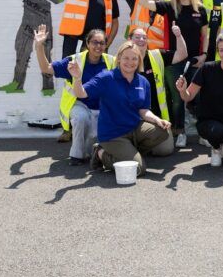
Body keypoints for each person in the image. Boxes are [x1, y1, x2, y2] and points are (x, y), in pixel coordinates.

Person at [71, 41, 173, 176]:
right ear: (119, 58)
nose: (130, 62)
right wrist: (77, 78)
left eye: (134, 58)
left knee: (162, 132)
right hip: (113, 134)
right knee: (137, 169)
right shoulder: (106, 77)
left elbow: (143, 110)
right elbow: (81, 93)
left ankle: (130, 153)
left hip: (134, 128)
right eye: (126, 58)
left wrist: (157, 119)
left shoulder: (143, 82)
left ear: (139, 60)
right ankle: (100, 154)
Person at [140, 0, 208, 148]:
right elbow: (144, 2)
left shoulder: (200, 10)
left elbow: (205, 35)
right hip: (175, 60)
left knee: (197, 98)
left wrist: (204, 55)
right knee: (177, 99)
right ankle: (180, 133)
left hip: (195, 60)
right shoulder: (170, 7)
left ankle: (203, 133)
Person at [33, 26, 115, 165]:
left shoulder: (112, 62)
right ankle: (76, 156)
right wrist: (39, 46)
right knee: (81, 118)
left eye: (102, 43)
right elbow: (45, 68)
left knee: (93, 140)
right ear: (87, 44)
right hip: (79, 104)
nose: (98, 46)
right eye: (95, 42)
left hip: (102, 107)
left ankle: (93, 154)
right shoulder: (74, 60)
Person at [176, 33, 223, 168]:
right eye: (221, 50)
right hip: (209, 122)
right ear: (218, 52)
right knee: (218, 132)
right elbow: (188, 96)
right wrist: (182, 90)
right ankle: (216, 147)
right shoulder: (207, 69)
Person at [128, 26, 187, 147]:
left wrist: (178, 35)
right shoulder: (122, 60)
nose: (141, 40)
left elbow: (182, 54)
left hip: (155, 117)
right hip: (130, 118)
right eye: (137, 37)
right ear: (129, 40)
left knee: (166, 148)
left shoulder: (156, 55)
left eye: (144, 37)